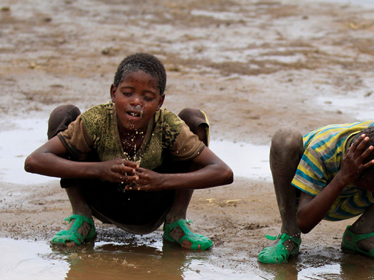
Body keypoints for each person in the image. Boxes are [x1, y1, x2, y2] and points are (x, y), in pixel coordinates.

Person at [25, 52, 233, 249]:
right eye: (127, 93)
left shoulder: (167, 125)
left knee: (193, 118)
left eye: (148, 97)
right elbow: (34, 161)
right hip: (101, 199)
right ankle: (81, 219)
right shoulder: (96, 120)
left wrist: (161, 181)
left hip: (153, 204)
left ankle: (176, 222)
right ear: (113, 93)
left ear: (160, 102)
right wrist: (99, 169)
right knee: (63, 114)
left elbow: (223, 172)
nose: (136, 102)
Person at [258, 118, 374, 264]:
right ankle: (289, 237)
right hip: (315, 200)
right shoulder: (321, 152)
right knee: (285, 138)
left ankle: (361, 234)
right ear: (358, 172)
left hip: (353, 196)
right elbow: (304, 222)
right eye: (371, 186)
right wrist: (342, 177)